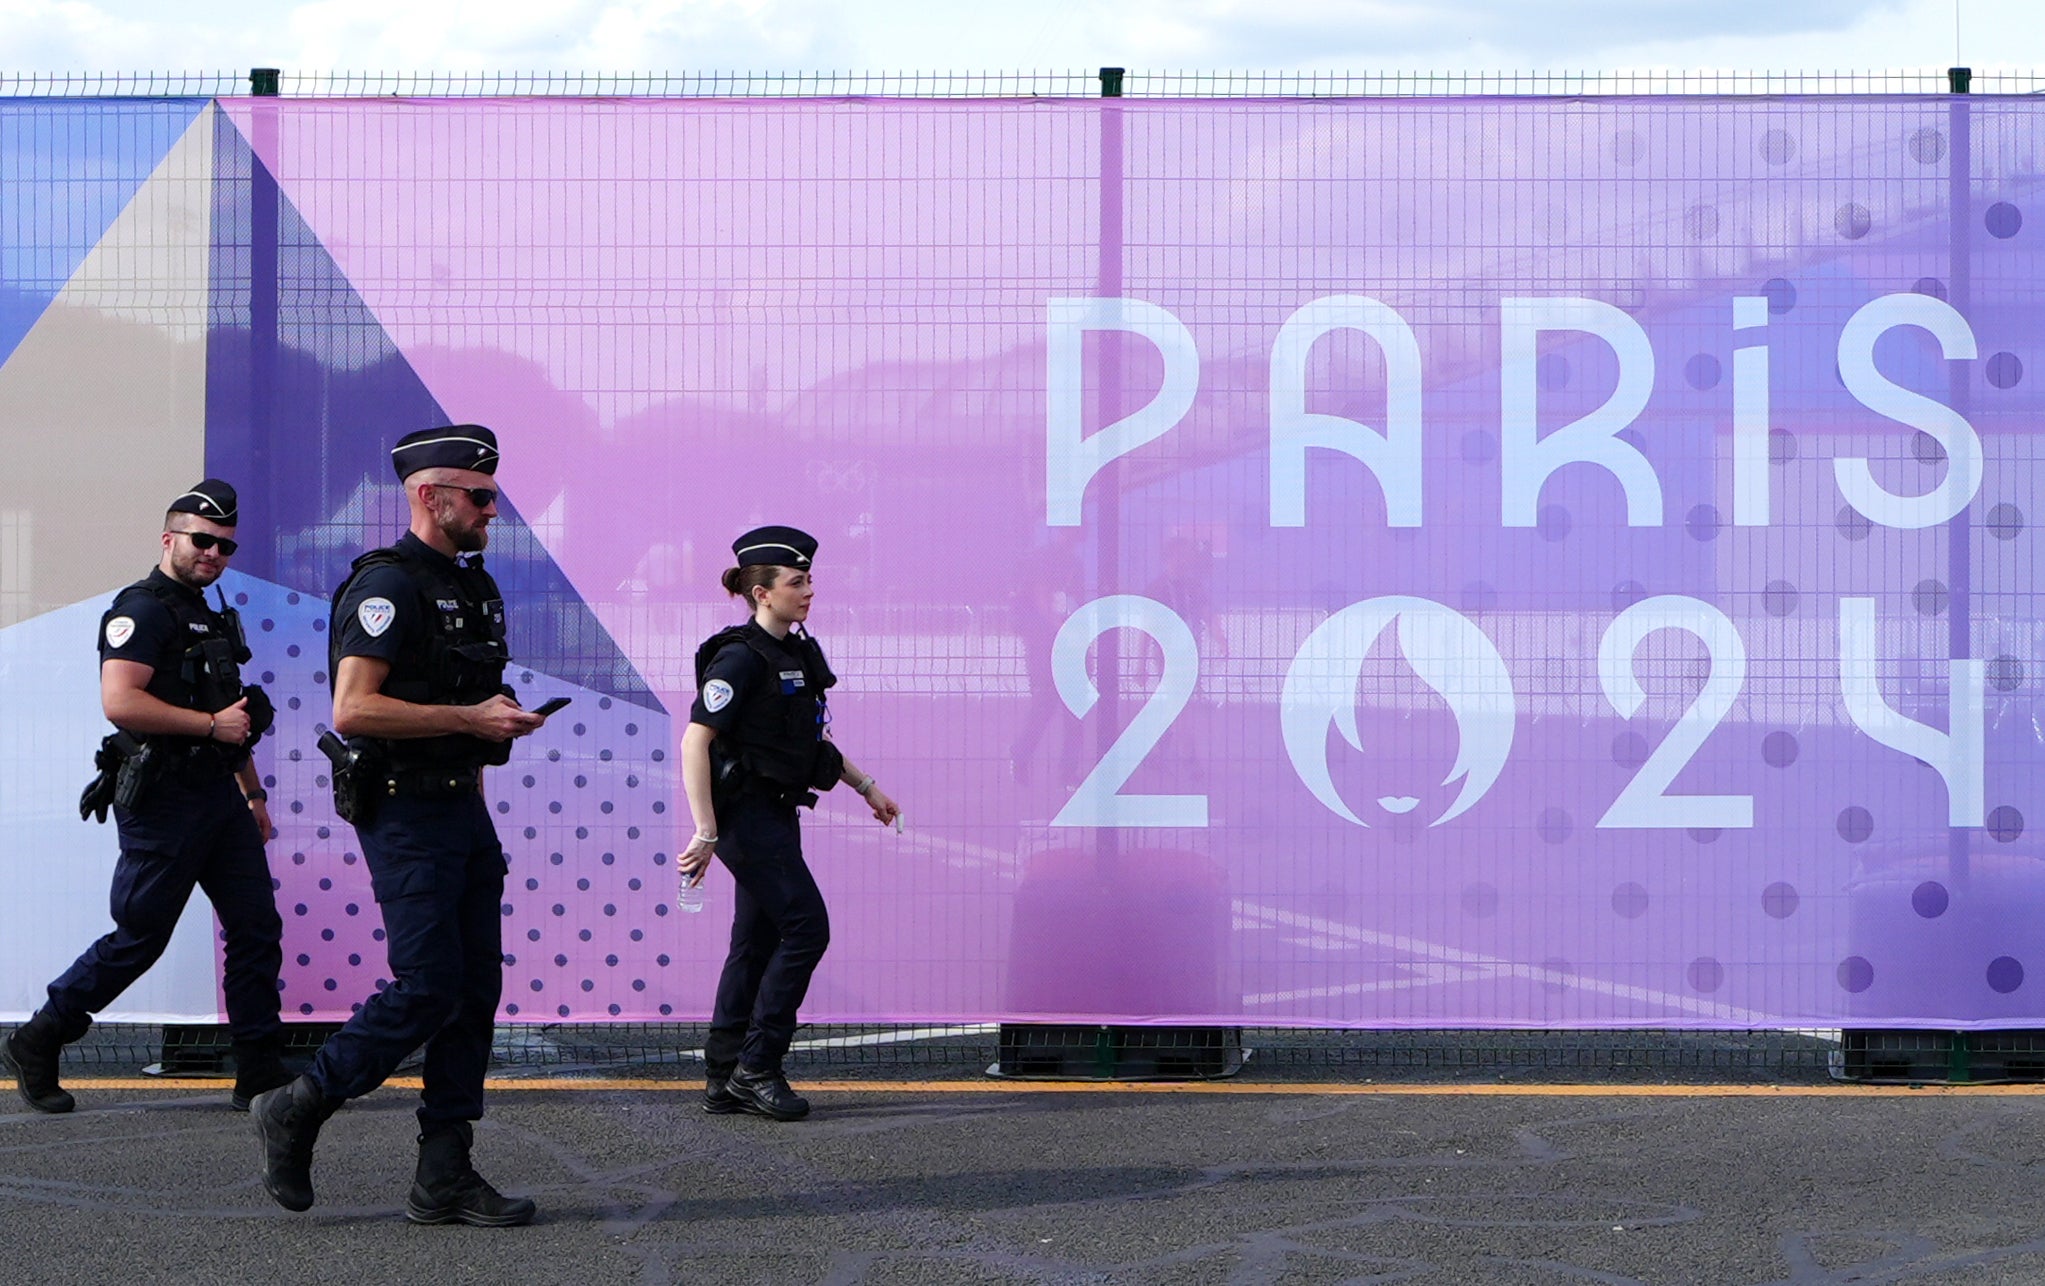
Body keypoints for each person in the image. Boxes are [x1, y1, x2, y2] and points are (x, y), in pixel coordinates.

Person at [253, 424, 554, 1226]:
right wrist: (467, 715)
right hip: (405, 810)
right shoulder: (387, 585)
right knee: (427, 986)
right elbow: (353, 708)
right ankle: (299, 1104)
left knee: (473, 992)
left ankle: (444, 1174)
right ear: (431, 496)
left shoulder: (474, 587)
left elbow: (467, 709)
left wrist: (490, 732)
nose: (493, 509)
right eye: (480, 497)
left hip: (463, 806)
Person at [3, 480, 287, 1115]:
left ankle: (262, 1077)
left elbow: (230, 711)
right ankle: (40, 1036)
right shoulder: (144, 608)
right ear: (169, 539)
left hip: (217, 795)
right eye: (203, 540)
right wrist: (213, 728)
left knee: (255, 928)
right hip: (163, 799)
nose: (214, 553)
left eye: (226, 546)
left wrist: (253, 793)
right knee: (141, 935)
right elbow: (120, 701)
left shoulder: (208, 612)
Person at [681, 525, 900, 1121]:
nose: (808, 591)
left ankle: (724, 1075)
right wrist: (706, 830)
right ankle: (759, 1067)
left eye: (808, 580)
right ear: (761, 593)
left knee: (753, 942)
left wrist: (867, 788)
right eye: (796, 582)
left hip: (778, 811)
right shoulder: (738, 657)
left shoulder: (798, 651)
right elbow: (695, 741)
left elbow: (809, 744)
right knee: (806, 928)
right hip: (746, 817)